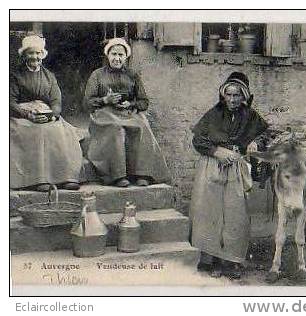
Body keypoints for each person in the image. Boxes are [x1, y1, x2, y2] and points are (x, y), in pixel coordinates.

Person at [190, 72, 269, 279]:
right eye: (229, 95)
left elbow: (265, 134)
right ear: (223, 95)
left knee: (236, 215)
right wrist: (217, 151)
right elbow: (198, 140)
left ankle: (231, 261)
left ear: (244, 96)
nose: (233, 99)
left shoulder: (251, 116)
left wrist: (256, 142)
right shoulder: (213, 114)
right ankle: (210, 260)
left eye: (237, 95)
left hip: (236, 167)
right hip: (212, 165)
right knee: (210, 213)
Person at [84, 38, 170, 187]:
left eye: (121, 55)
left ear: (126, 57)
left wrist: (130, 104)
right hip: (104, 114)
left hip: (127, 113)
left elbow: (144, 101)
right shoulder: (97, 75)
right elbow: (87, 102)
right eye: (113, 54)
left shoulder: (133, 75)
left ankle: (142, 173)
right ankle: (117, 175)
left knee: (142, 126)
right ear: (107, 55)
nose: (117, 58)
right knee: (116, 129)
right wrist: (105, 100)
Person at [10, 35, 83, 191]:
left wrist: (52, 115)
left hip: (45, 113)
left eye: (38, 53)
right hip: (21, 116)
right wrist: (28, 114)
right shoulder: (15, 75)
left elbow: (56, 101)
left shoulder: (49, 76)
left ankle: (66, 177)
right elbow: (10, 102)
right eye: (30, 53)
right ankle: (39, 179)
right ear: (24, 55)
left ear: (42, 55)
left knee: (60, 130)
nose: (35, 57)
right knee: (37, 131)